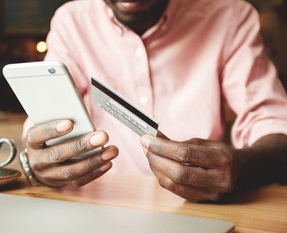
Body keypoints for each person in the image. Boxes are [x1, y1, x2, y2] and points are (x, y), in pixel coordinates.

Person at [22, 0, 287, 202]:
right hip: (103, 204)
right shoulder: (72, 21)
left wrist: (244, 167)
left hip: (200, 209)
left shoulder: (230, 16)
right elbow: (47, 123)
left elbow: (272, 120)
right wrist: (39, 160)